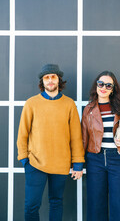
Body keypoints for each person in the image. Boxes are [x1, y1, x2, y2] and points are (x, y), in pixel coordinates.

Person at [17, 63, 85, 221]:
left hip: (60, 163)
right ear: (42, 81)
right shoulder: (31, 103)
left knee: (56, 203)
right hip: (35, 163)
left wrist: (78, 163)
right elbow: (22, 134)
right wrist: (24, 159)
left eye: (53, 77)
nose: (50, 80)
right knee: (31, 205)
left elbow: (76, 136)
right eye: (46, 78)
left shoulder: (69, 104)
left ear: (59, 79)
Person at [82, 70, 120, 221]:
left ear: (113, 88)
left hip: (118, 159)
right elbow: (83, 138)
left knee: (118, 203)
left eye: (108, 85)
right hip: (94, 159)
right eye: (101, 84)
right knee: (95, 204)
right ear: (96, 86)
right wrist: (78, 163)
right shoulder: (88, 109)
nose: (103, 87)